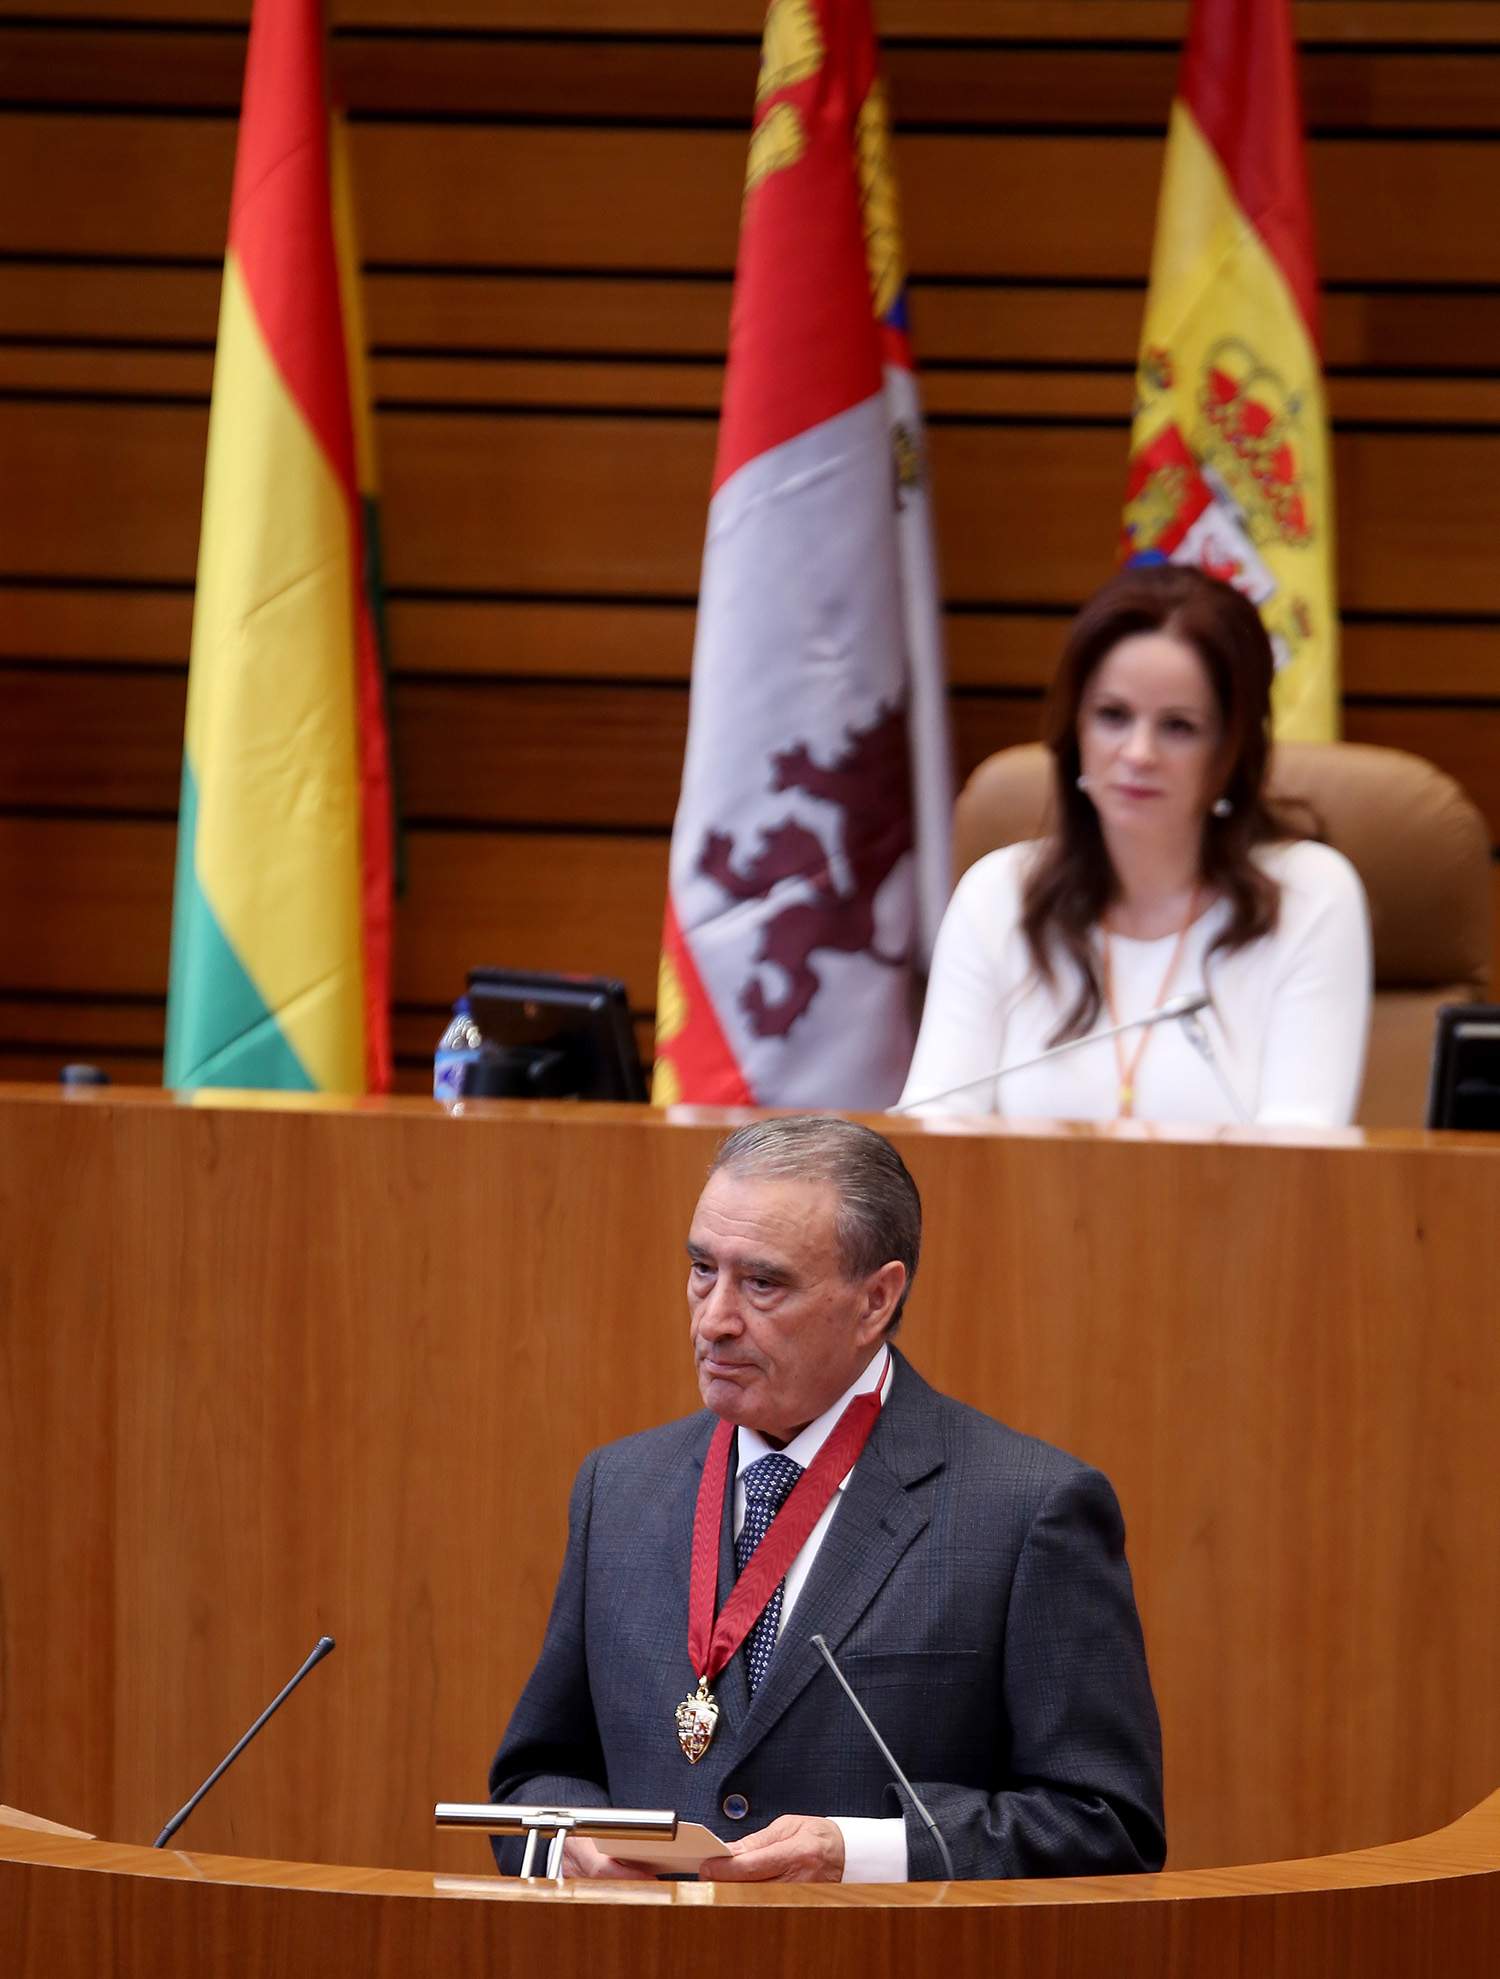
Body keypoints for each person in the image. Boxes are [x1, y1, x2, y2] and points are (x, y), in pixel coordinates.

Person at [488, 1114, 1165, 1883]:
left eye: (764, 1283)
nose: (715, 1319)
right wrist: (566, 1841)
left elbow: (1107, 1826)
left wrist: (866, 1853)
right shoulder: (618, 1487)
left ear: (876, 1299)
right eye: (703, 1268)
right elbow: (533, 1778)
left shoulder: (1027, 1510)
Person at [898, 564, 1372, 1126]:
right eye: (1113, 716)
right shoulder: (999, 896)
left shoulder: (1308, 898)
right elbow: (929, 1134)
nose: (1139, 753)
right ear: (1075, 734)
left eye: (1178, 726)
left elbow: (1303, 1156)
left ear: (1230, 752)